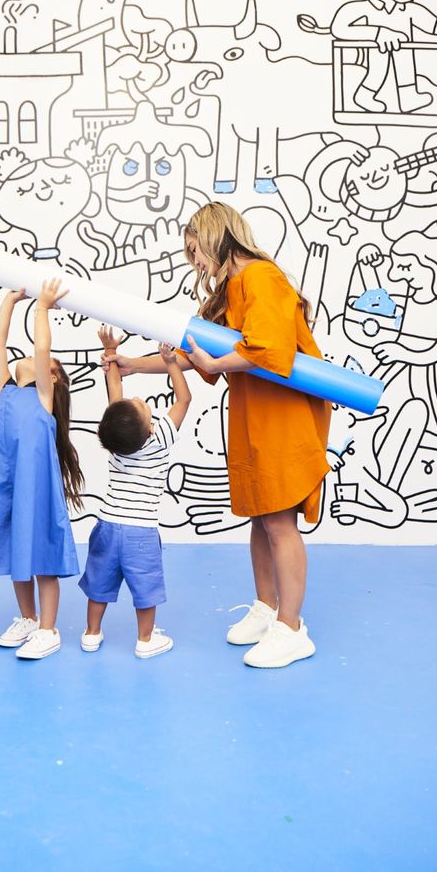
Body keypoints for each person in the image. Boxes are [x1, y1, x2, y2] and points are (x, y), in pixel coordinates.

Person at [105, 202, 330, 668]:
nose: (195, 263)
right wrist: (131, 365)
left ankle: (292, 627)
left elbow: (269, 348)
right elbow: (194, 353)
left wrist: (215, 364)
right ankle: (267, 608)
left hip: (280, 413)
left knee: (279, 520)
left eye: (196, 251)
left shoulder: (261, 277)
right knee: (259, 514)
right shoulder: (231, 289)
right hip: (253, 412)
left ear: (215, 237)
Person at [0, 278, 83, 660]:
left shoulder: (43, 398)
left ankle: (49, 630)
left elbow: (41, 345)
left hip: (34, 490)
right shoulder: (5, 389)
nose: (32, 359)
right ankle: (28, 618)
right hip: (6, 486)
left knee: (41, 559)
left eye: (45, 364)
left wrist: (42, 307)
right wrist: (10, 300)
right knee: (18, 557)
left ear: (52, 377)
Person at [78, 326, 191, 658]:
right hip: (140, 531)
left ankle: (91, 633)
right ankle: (145, 640)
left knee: (99, 580)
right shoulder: (159, 441)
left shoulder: (116, 444)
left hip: (107, 526)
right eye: (139, 406)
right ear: (149, 424)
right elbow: (184, 399)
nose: (137, 400)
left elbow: (115, 396)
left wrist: (111, 353)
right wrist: (171, 362)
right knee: (145, 587)